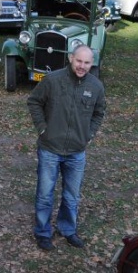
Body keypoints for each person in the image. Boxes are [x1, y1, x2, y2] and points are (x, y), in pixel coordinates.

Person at [27, 45, 106, 251]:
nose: (82, 66)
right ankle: (43, 232)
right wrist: (43, 129)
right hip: (50, 148)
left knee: (72, 196)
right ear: (71, 58)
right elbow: (34, 102)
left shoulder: (96, 86)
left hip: (76, 152)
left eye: (87, 62)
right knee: (45, 194)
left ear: (92, 63)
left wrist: (89, 134)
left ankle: (68, 229)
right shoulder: (53, 80)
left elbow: (99, 112)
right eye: (79, 61)